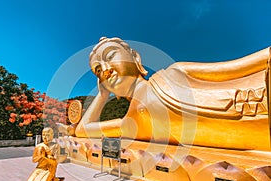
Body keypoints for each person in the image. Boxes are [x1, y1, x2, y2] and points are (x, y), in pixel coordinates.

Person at [74, 37, 270, 150]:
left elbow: (239, 67)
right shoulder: (132, 121)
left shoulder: (175, 73)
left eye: (110, 56)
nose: (106, 70)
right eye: (98, 71)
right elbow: (82, 131)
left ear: (135, 57)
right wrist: (102, 95)